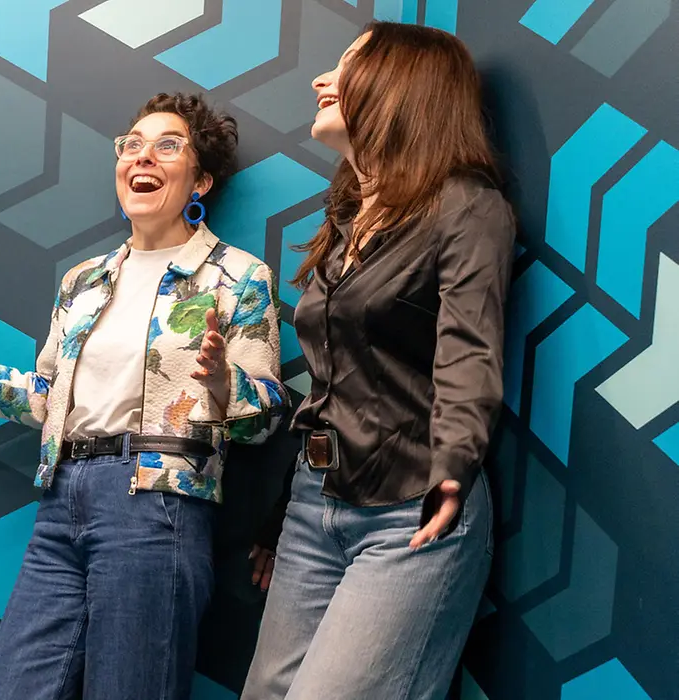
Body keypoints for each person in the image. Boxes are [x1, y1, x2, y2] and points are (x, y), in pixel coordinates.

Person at [0, 93, 286, 700]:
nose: (143, 155)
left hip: (157, 505)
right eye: (132, 144)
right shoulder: (83, 281)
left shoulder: (237, 276)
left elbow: (269, 419)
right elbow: (49, 401)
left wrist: (226, 388)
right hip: (63, 498)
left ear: (200, 178)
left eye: (168, 145)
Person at [241, 22, 514, 700]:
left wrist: (453, 464)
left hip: (412, 509)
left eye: (349, 67)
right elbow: (334, 386)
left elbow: (467, 351)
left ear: (402, 88)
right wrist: (282, 517)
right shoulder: (345, 217)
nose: (321, 80)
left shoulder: (466, 207)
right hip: (315, 504)